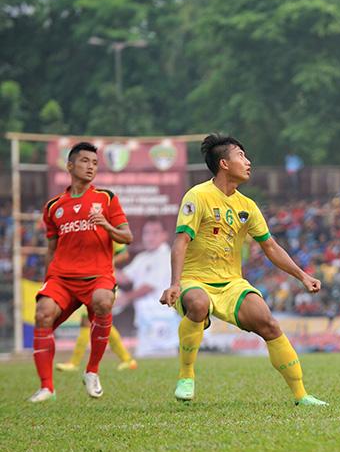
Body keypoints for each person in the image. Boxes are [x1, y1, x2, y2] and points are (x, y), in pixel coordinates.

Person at [159, 134, 326, 406]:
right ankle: (186, 375)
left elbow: (271, 247)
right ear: (224, 163)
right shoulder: (198, 196)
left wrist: (303, 276)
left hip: (231, 284)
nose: (248, 162)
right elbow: (181, 241)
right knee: (199, 304)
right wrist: (175, 283)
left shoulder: (247, 206)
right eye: (241, 156)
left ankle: (301, 395)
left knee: (269, 323)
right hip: (194, 280)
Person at [30, 142, 133, 402]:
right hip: (62, 278)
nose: (90, 167)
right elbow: (51, 249)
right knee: (43, 314)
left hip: (97, 275)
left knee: (103, 301)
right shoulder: (54, 206)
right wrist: (47, 283)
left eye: (95, 163)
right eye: (85, 161)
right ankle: (46, 387)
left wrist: (107, 226)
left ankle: (92, 371)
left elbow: (127, 237)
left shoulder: (106, 198)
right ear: (70, 165)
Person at [55, 241, 137, 373]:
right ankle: (127, 360)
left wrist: (107, 263)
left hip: (104, 283)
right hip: (88, 282)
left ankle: (74, 363)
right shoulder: (85, 231)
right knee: (100, 323)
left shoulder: (107, 229)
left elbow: (124, 254)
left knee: (88, 321)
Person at [116, 217, 177, 357]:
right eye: (147, 233)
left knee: (162, 362)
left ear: (165, 235)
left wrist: (126, 298)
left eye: (155, 233)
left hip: (162, 319)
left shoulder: (166, 256)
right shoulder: (142, 258)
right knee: (144, 361)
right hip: (144, 319)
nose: (150, 237)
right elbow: (124, 278)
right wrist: (100, 266)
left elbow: (148, 287)